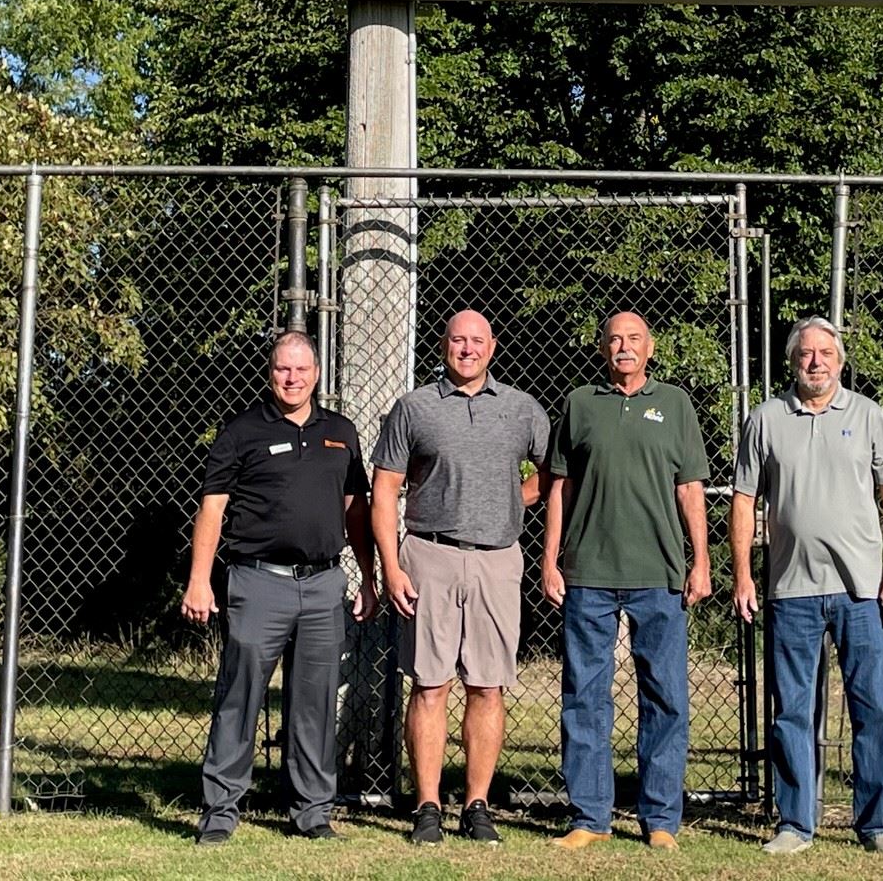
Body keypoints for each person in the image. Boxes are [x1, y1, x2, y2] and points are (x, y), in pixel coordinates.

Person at [181, 330, 377, 845]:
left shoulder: (341, 432)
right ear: (270, 373)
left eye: (301, 370)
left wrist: (368, 577)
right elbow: (213, 509)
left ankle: (312, 810)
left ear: (317, 374)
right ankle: (221, 809)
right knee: (239, 697)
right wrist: (200, 580)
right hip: (257, 583)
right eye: (282, 370)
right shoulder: (242, 430)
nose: (292, 379)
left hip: (323, 586)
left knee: (313, 704)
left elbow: (356, 510)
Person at [370, 309, 551, 847]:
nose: (466, 349)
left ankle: (476, 804)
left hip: (497, 558)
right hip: (430, 554)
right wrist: (391, 565)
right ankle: (427, 804)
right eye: (457, 340)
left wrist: (507, 505)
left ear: (492, 347)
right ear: (444, 345)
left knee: (487, 685)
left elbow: (555, 474)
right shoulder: (415, 407)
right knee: (429, 685)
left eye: (476, 341)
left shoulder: (522, 410)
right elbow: (384, 492)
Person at [732, 315, 883, 857]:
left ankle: (876, 823)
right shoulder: (765, 419)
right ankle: (795, 822)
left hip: (860, 591)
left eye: (825, 354)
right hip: (791, 590)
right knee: (791, 710)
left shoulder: (869, 415)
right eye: (806, 354)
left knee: (871, 708)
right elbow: (745, 500)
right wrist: (742, 573)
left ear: (840, 360)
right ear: (792, 363)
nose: (816, 362)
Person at [540, 310, 712, 851]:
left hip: (659, 574)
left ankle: (660, 817)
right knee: (584, 696)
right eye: (614, 339)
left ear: (650, 347)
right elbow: (559, 489)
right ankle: (589, 817)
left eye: (633, 339)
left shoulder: (677, 404)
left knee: (665, 697)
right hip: (587, 573)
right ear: (602, 348)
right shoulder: (580, 403)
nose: (623, 347)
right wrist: (549, 559)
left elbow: (690, 490)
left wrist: (700, 561)